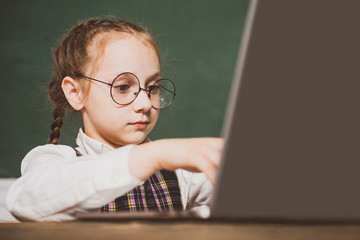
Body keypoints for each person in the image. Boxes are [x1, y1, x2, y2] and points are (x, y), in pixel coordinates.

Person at [6, 18, 223, 221]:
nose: (145, 104)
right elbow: (24, 199)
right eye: (122, 87)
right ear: (75, 92)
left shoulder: (180, 176)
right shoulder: (53, 160)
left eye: (153, 88)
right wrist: (150, 156)